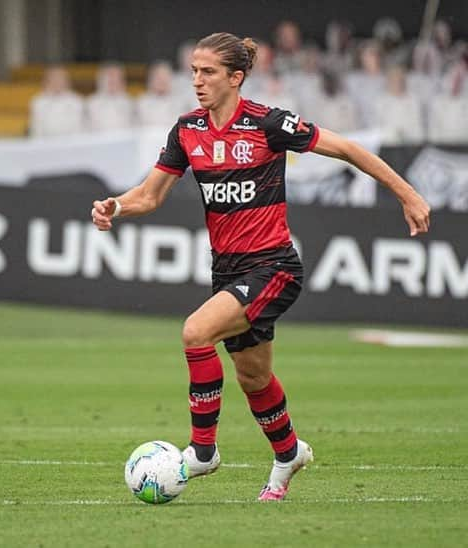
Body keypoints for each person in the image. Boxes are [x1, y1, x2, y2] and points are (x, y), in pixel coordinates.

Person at [91, 33, 430, 501]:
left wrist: (408, 195)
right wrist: (116, 206)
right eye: (193, 70)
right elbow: (149, 195)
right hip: (228, 273)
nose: (197, 80)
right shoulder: (187, 130)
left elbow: (349, 149)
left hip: (274, 267)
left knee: (195, 332)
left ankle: (203, 453)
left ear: (236, 77)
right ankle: (288, 454)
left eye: (207, 72)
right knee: (253, 377)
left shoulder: (269, 125)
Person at [29, 65, 85, 137]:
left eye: (60, 79)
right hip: (45, 144)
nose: (57, 82)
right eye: (53, 79)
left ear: (67, 82)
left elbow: (79, 128)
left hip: (72, 143)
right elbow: (36, 128)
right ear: (46, 81)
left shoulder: (77, 101)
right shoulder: (38, 101)